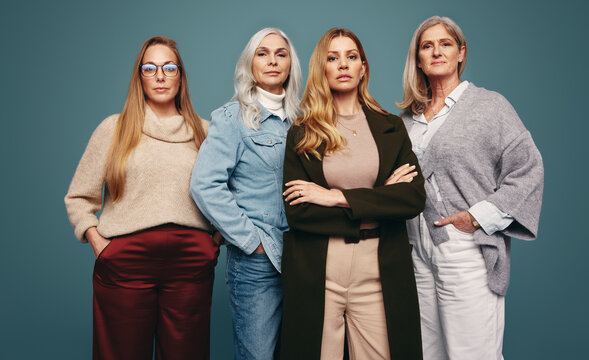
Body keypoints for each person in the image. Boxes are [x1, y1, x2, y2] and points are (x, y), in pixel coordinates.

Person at [397, 16, 544, 359]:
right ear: (418, 58)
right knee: (428, 353)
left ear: (461, 53)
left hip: (464, 248)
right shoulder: (406, 120)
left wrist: (477, 217)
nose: (436, 52)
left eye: (445, 44)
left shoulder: (489, 107)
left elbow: (528, 169)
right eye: (427, 46)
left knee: (470, 354)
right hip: (415, 253)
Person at [64, 36, 218, 360]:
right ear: (140, 77)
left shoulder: (207, 133)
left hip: (190, 263)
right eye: (150, 68)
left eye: (169, 67)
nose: (160, 75)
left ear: (180, 75)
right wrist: (99, 243)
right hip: (125, 261)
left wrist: (213, 241)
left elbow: (227, 196)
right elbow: (79, 197)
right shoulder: (114, 129)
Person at [280, 28, 426, 360]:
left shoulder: (391, 128)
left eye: (351, 57)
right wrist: (380, 197)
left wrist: (336, 197)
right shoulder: (302, 133)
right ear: (323, 68)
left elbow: (413, 198)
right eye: (333, 58)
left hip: (379, 264)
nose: (343, 64)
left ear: (363, 67)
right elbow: (299, 211)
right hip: (319, 266)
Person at [190, 28, 302, 359]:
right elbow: (204, 184)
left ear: (290, 64)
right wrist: (250, 241)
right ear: (249, 63)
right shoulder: (232, 117)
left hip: (303, 256)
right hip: (257, 262)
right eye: (262, 53)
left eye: (281, 54)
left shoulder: (304, 120)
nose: (272, 61)